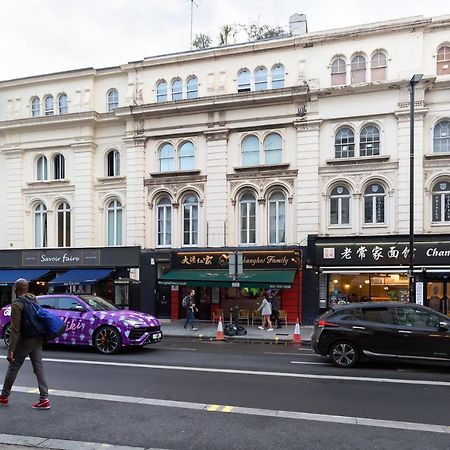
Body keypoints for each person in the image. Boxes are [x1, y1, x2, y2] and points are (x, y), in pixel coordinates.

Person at [0, 279, 50, 410]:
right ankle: (44, 398)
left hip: (25, 340)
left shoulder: (16, 305)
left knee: (13, 366)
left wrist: (11, 350)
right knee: (39, 367)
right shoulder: (34, 300)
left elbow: (15, 329)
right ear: (27, 289)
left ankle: (4, 396)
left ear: (17, 289)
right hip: (37, 338)